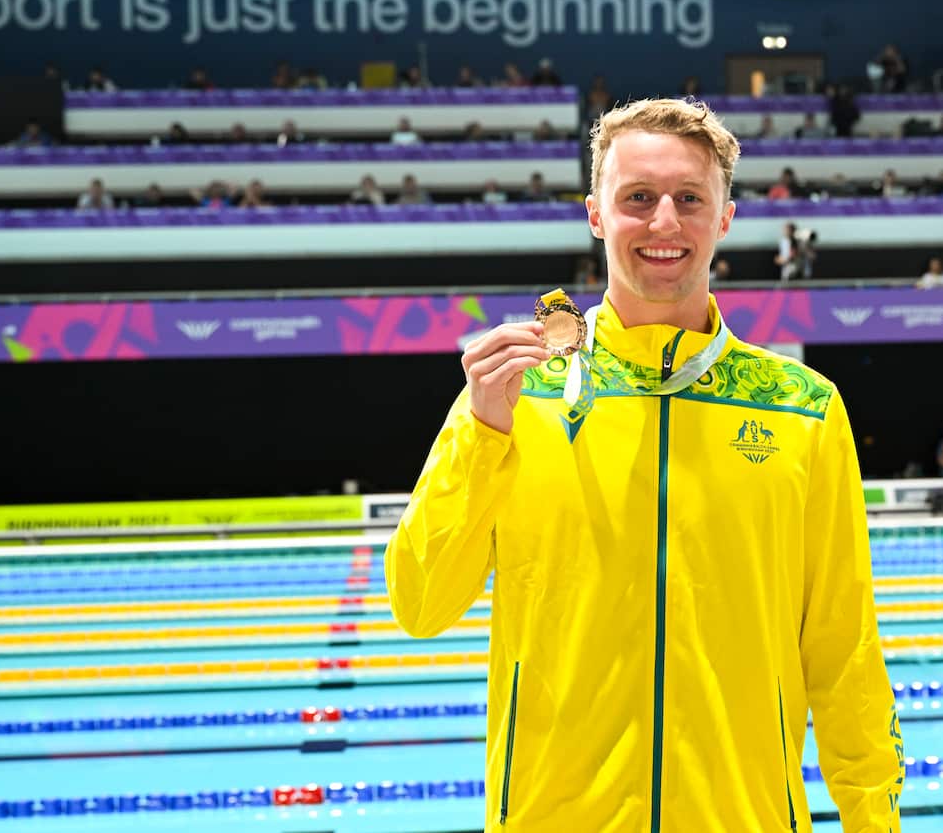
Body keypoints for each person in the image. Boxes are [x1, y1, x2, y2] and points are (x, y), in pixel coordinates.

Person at [386, 98, 903, 832]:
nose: (665, 223)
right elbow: (419, 602)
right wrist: (482, 432)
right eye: (637, 199)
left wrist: (872, 816)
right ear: (596, 213)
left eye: (689, 199)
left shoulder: (803, 408)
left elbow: (844, 641)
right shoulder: (512, 395)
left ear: (725, 216)